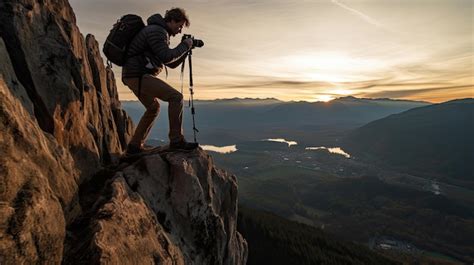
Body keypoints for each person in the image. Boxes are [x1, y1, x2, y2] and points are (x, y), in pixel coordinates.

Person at [122, 8, 198, 154]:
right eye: (180, 26)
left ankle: (134, 146)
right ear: (171, 20)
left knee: (153, 108)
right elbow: (167, 56)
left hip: (132, 75)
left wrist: (185, 49)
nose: (180, 30)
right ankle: (177, 141)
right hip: (138, 75)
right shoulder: (157, 31)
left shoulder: (159, 31)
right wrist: (185, 45)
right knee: (176, 97)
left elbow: (171, 63)